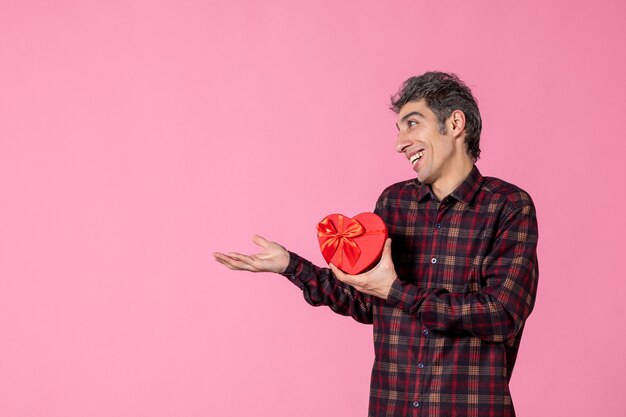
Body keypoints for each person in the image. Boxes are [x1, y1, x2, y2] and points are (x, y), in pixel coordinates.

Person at [213, 71, 539, 417]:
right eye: (399, 130)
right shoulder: (394, 203)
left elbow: (500, 315)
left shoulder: (507, 205)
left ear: (455, 123)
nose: (400, 143)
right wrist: (290, 266)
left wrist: (397, 291)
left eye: (412, 124)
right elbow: (367, 300)